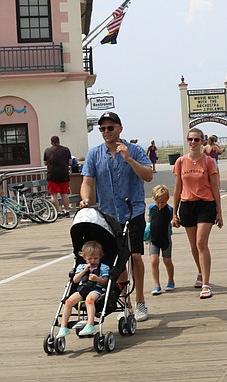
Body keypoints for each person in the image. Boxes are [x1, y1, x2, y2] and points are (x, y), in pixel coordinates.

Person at [80, 111, 153, 322]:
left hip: (134, 211)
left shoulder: (135, 150)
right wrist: (86, 199)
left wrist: (128, 158)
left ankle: (139, 300)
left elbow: (148, 175)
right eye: (102, 128)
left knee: (135, 256)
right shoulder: (94, 154)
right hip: (109, 216)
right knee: (117, 261)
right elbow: (86, 181)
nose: (105, 132)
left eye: (110, 128)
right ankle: (125, 302)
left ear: (120, 128)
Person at [172, 128, 223, 300]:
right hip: (187, 205)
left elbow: (215, 187)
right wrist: (174, 213)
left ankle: (206, 284)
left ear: (202, 141)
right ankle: (200, 271)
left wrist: (219, 211)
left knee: (201, 243)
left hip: (206, 204)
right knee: (193, 245)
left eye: (197, 140)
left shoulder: (208, 162)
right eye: (190, 139)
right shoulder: (180, 162)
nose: (193, 143)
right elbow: (178, 188)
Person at [56, 241, 110, 339]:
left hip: (96, 290)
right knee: (68, 301)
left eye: (96, 258)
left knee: (89, 300)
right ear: (84, 258)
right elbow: (75, 280)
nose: (93, 261)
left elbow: (105, 282)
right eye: (90, 259)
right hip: (82, 289)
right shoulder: (81, 267)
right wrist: (84, 270)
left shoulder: (103, 268)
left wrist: (98, 279)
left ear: (100, 257)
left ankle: (90, 324)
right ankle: (63, 327)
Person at [147, 185, 175, 295]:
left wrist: (175, 222)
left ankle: (171, 281)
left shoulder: (169, 210)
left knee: (167, 261)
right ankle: (157, 285)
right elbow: (149, 222)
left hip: (165, 240)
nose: (160, 205)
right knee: (154, 261)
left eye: (162, 202)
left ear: (167, 199)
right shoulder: (151, 209)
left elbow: (174, 221)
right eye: (158, 202)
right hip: (153, 240)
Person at [43, 135, 72, 218]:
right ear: (59, 141)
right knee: (64, 193)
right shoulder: (66, 150)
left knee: (53, 195)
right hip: (64, 174)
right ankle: (67, 211)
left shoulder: (47, 151)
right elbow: (70, 162)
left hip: (52, 175)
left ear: (51, 142)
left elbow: (45, 163)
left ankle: (58, 212)